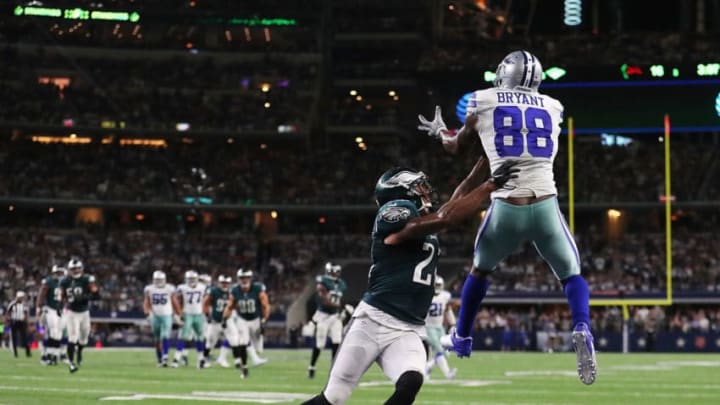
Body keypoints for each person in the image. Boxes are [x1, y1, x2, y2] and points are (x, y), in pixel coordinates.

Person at [418, 49, 596, 385]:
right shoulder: (554, 107)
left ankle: (463, 336)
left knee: (480, 271)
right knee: (572, 276)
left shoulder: (482, 99)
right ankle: (581, 326)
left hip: (505, 205)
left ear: (504, 73)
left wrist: (440, 131)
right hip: (545, 203)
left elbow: (455, 146)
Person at [300, 158, 518, 405]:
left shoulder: (425, 219)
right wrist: (489, 186)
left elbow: (456, 199)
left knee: (411, 381)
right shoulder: (393, 211)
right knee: (334, 398)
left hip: (409, 327)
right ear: (401, 192)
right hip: (373, 321)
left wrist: (487, 159)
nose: (425, 189)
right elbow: (446, 217)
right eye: (418, 186)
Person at [223, 268, 270, 378]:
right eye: (242, 278)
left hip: (255, 319)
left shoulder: (257, 289)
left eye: (246, 278)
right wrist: (224, 318)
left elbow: (266, 306)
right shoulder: (235, 290)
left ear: (250, 278)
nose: (244, 280)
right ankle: (244, 368)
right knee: (242, 342)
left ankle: (255, 357)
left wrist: (264, 320)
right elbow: (230, 306)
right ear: (239, 279)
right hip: (242, 319)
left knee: (258, 349)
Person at [307, 262, 347, 379]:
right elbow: (324, 300)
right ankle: (312, 366)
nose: (335, 274)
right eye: (333, 271)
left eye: (337, 272)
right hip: (323, 316)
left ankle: (333, 369)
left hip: (334, 316)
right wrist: (340, 306)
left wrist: (341, 308)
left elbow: (338, 299)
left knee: (337, 342)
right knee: (320, 344)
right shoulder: (323, 282)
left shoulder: (341, 284)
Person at [60, 257, 99, 373]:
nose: (76, 271)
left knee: (84, 338)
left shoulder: (87, 279)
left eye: (77, 269)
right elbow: (61, 296)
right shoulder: (65, 281)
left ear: (81, 269)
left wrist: (87, 296)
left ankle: (80, 353)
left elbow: (96, 294)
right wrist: (59, 306)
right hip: (72, 312)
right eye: (73, 269)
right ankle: (71, 363)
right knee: (73, 337)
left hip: (84, 312)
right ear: (69, 269)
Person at [203, 275, 245, 369]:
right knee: (210, 342)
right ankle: (204, 360)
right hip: (215, 320)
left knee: (234, 340)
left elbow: (237, 305)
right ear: (219, 283)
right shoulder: (213, 291)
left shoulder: (233, 292)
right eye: (223, 283)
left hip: (228, 320)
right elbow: (205, 303)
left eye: (226, 283)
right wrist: (207, 315)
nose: (225, 285)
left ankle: (237, 362)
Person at [173, 270, 208, 368]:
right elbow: (176, 300)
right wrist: (178, 314)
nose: (192, 281)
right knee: (183, 337)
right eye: (190, 279)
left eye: (193, 279)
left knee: (200, 338)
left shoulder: (202, 287)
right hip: (187, 314)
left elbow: (207, 299)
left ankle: (201, 359)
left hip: (199, 315)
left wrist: (206, 311)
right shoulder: (182, 288)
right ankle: (176, 359)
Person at [423, 276, 456, 380]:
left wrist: (453, 323)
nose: (437, 287)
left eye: (438, 285)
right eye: (435, 285)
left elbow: (448, 310)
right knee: (440, 350)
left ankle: (428, 367)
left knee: (445, 352)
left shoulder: (445, 296)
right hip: (428, 327)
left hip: (439, 327)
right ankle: (447, 374)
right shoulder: (425, 296)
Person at [144, 270, 178, 367]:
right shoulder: (149, 289)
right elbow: (147, 302)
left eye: (160, 280)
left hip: (167, 315)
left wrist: (178, 314)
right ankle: (159, 359)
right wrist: (147, 313)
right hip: (155, 315)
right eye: (157, 280)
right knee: (157, 339)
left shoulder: (169, 288)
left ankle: (165, 357)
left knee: (165, 336)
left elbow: (174, 301)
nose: (158, 282)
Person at [36, 265, 67, 365]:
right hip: (50, 309)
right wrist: (39, 307)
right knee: (50, 332)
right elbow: (42, 293)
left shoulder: (65, 283)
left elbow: (65, 298)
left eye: (61, 272)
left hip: (60, 310)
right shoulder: (49, 281)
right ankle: (46, 355)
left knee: (58, 333)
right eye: (58, 272)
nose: (60, 274)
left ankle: (54, 355)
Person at [6, 291, 31, 358]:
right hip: (14, 322)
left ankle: (28, 352)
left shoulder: (24, 304)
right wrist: (9, 320)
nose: (22, 298)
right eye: (21, 297)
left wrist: (26, 321)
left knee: (25, 337)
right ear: (18, 297)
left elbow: (26, 314)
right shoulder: (12, 304)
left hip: (21, 322)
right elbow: (8, 313)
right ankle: (15, 353)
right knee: (13, 338)